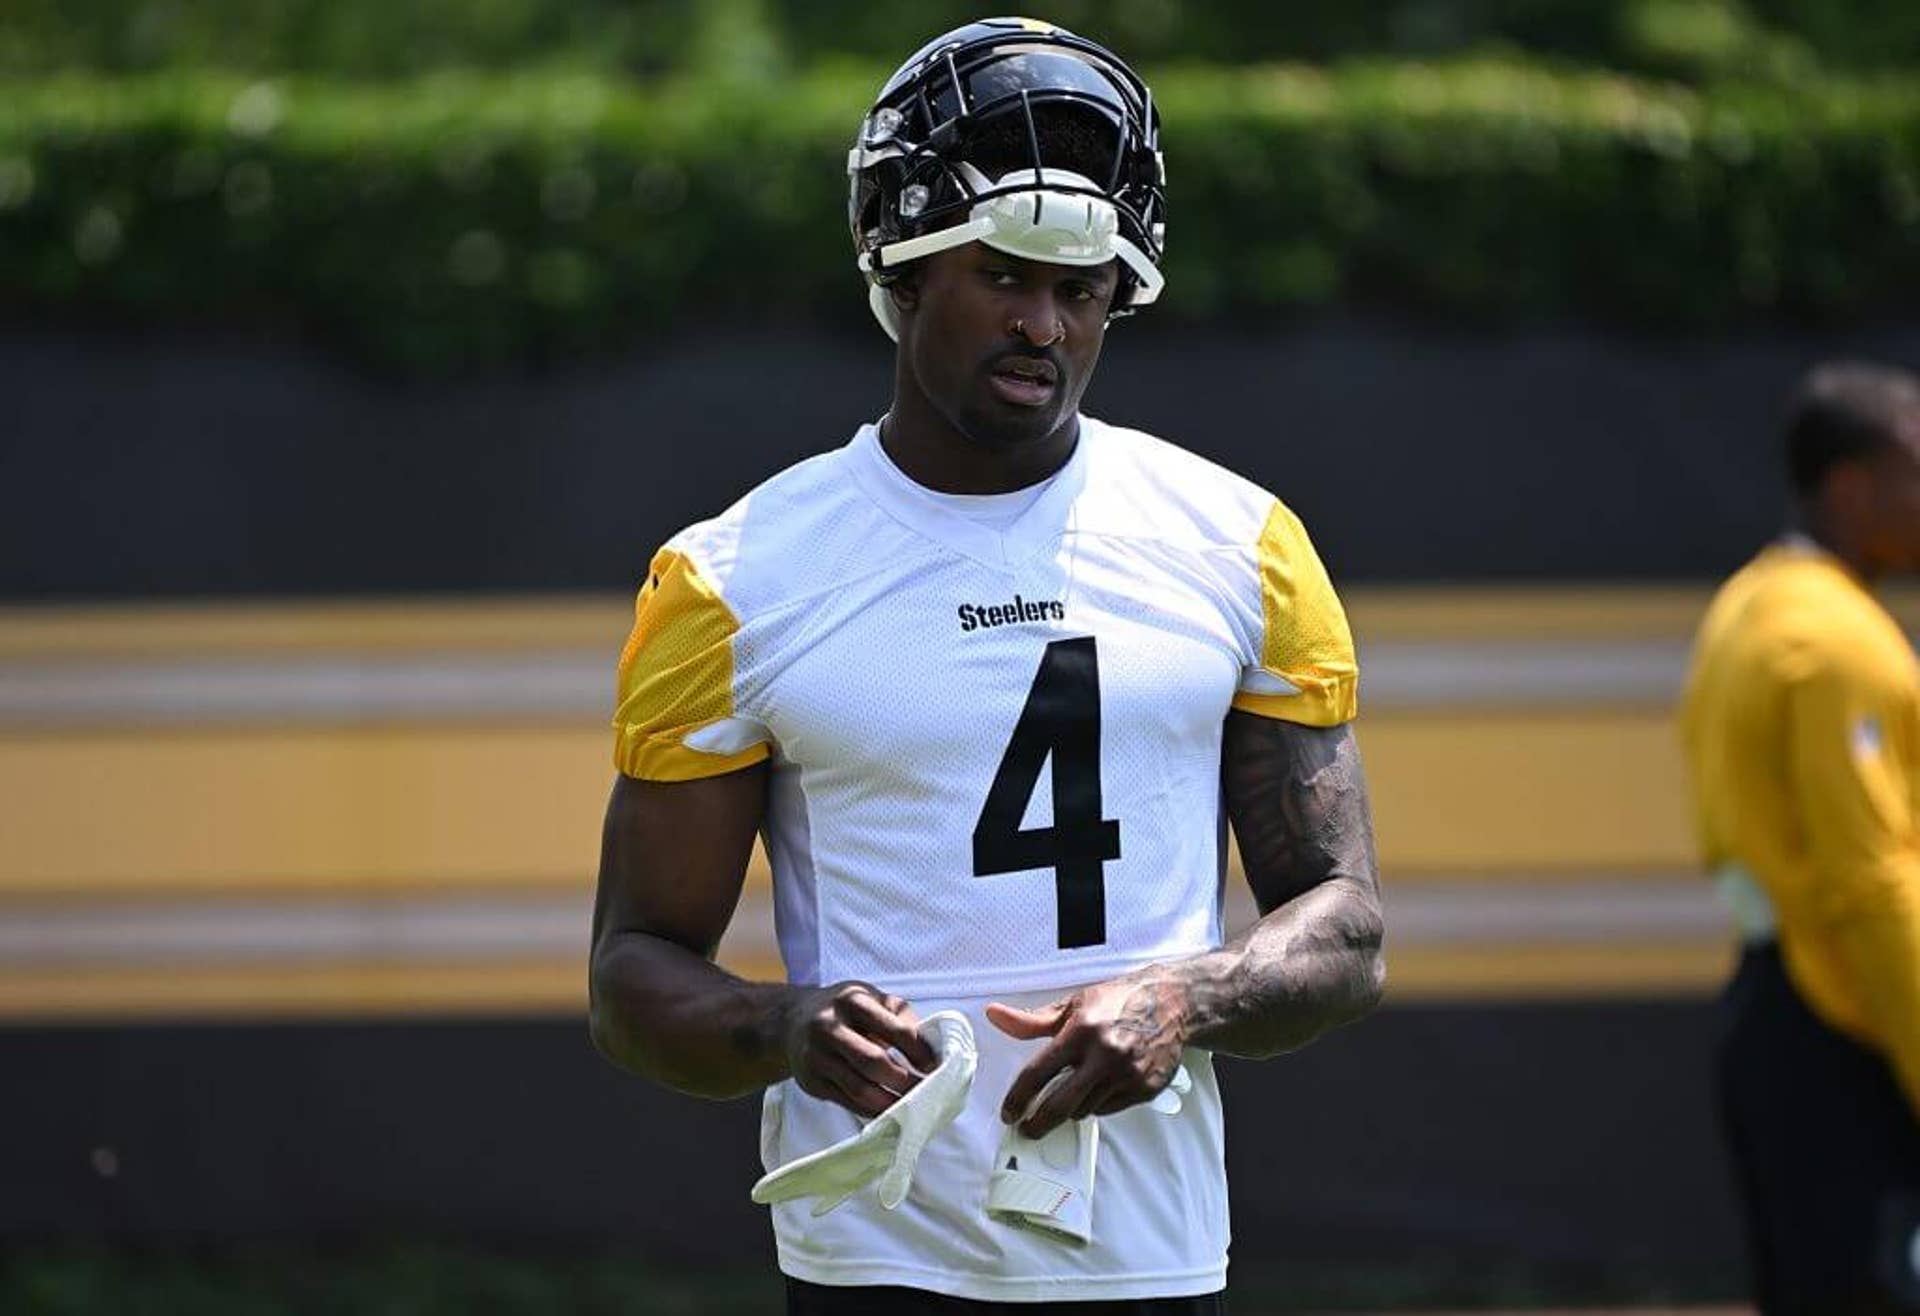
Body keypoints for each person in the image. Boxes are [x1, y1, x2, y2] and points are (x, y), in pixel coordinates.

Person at [589, 19, 1385, 1312]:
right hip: (875, 1259)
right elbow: (631, 977)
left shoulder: (1242, 544)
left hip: (1145, 1248)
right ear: (901, 270)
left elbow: (1346, 931)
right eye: (1006, 276)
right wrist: (791, 1029)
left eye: (1083, 291)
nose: (1045, 325)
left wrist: (1184, 999)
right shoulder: (735, 580)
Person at [1680, 362, 1920, 1315]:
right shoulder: (1835, 643)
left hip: (1770, 1012)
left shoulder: (1751, 602)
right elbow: (1875, 884)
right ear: (1853, 484)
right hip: (1844, 1024)